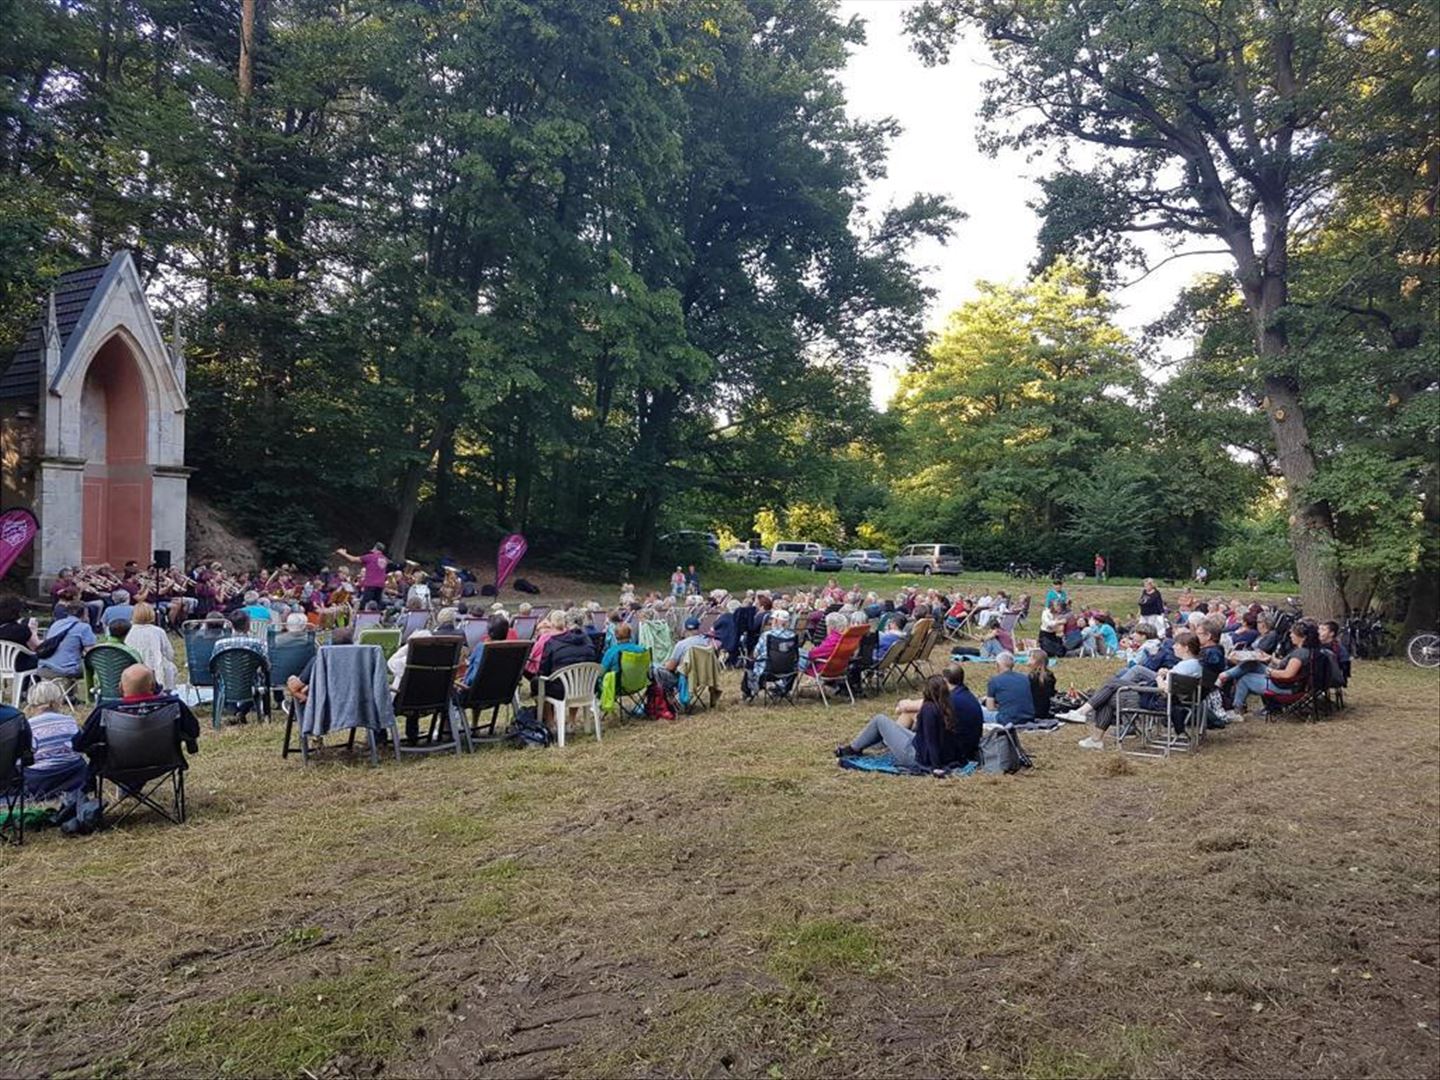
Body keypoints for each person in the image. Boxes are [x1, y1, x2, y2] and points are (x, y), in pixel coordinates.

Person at [73, 664, 201, 780]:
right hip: (164, 763)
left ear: (120, 687)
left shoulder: (105, 710)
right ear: (153, 686)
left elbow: (80, 744)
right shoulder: (174, 705)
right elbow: (193, 731)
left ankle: (128, 786)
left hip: (114, 767)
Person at [835, 674, 975, 774]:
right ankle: (873, 743)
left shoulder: (928, 709)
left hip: (916, 756)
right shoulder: (949, 706)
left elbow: (931, 741)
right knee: (893, 725)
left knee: (880, 719)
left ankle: (853, 748)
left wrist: (935, 767)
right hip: (934, 751)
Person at [1221, 620, 1318, 715]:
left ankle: (1237, 710)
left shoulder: (1300, 655)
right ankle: (1225, 675)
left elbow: (1287, 674)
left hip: (1284, 686)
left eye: (1293, 633)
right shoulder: (1306, 650)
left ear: (1303, 637)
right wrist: (1270, 658)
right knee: (1252, 664)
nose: (1290, 635)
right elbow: (1287, 665)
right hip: (1284, 682)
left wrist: (1270, 672)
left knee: (1244, 679)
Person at [19, 680, 87, 802]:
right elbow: (79, 747)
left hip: (40, 778)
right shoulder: (69, 720)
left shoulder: (28, 725)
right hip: (73, 774)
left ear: (31, 702)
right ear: (58, 700)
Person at [36, 602, 96, 680]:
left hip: (43, 667)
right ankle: (91, 687)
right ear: (85, 613)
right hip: (64, 670)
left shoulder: (56, 624)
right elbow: (91, 653)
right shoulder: (84, 627)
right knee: (93, 665)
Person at [123, 603, 177, 688]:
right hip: (154, 670)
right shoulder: (158, 631)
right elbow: (169, 654)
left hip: (132, 670)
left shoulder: (127, 632)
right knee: (170, 667)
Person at [983, 651, 1035, 726]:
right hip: (1028, 718)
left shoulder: (994, 681)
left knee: (978, 709)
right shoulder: (1025, 678)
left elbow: (990, 708)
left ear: (998, 665)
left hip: (1007, 719)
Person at [336, 542, 392, 608]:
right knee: (376, 604)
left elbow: (353, 559)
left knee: (364, 604)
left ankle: (361, 613)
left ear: (375, 548)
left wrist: (343, 553)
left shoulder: (370, 557)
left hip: (371, 584)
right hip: (380, 585)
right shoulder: (385, 559)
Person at [0, 595, 40, 671]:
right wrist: (33, 631)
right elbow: (35, 647)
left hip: (2, 664)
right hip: (20, 664)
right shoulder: (21, 630)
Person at [1027, 647, 1057, 719]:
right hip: (1045, 710)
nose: (1028, 659)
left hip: (1033, 710)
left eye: (1030, 658)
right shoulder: (1050, 675)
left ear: (1036, 661)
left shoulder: (1032, 677)